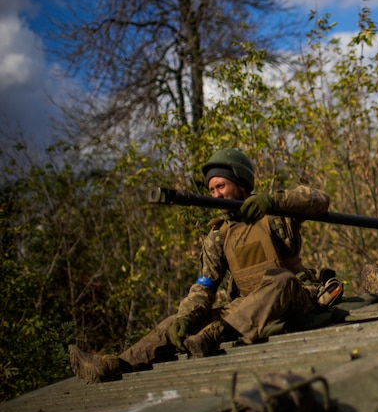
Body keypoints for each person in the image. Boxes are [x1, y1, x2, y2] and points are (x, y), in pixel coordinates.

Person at [68, 148, 334, 384]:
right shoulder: (218, 236)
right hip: (243, 311)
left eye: (221, 186)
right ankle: (114, 365)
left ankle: (215, 335)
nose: (216, 194)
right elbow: (205, 285)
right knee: (177, 321)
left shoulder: (276, 214)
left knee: (282, 279)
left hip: (293, 301)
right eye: (212, 190)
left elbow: (320, 199)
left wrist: (273, 201)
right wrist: (187, 317)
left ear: (241, 184)